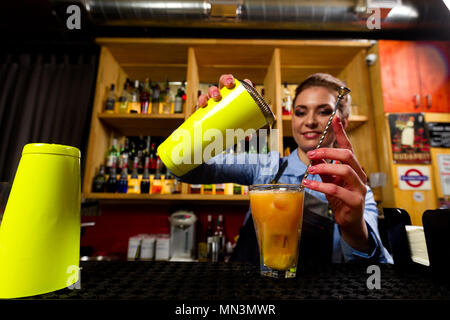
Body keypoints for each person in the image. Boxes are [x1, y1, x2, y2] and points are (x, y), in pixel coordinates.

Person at [176, 73, 393, 264]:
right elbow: (184, 170)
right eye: (300, 112)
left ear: (343, 123)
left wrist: (354, 230)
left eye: (324, 111)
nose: (310, 121)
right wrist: (200, 131)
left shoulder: (355, 192)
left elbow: (377, 271)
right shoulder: (265, 166)